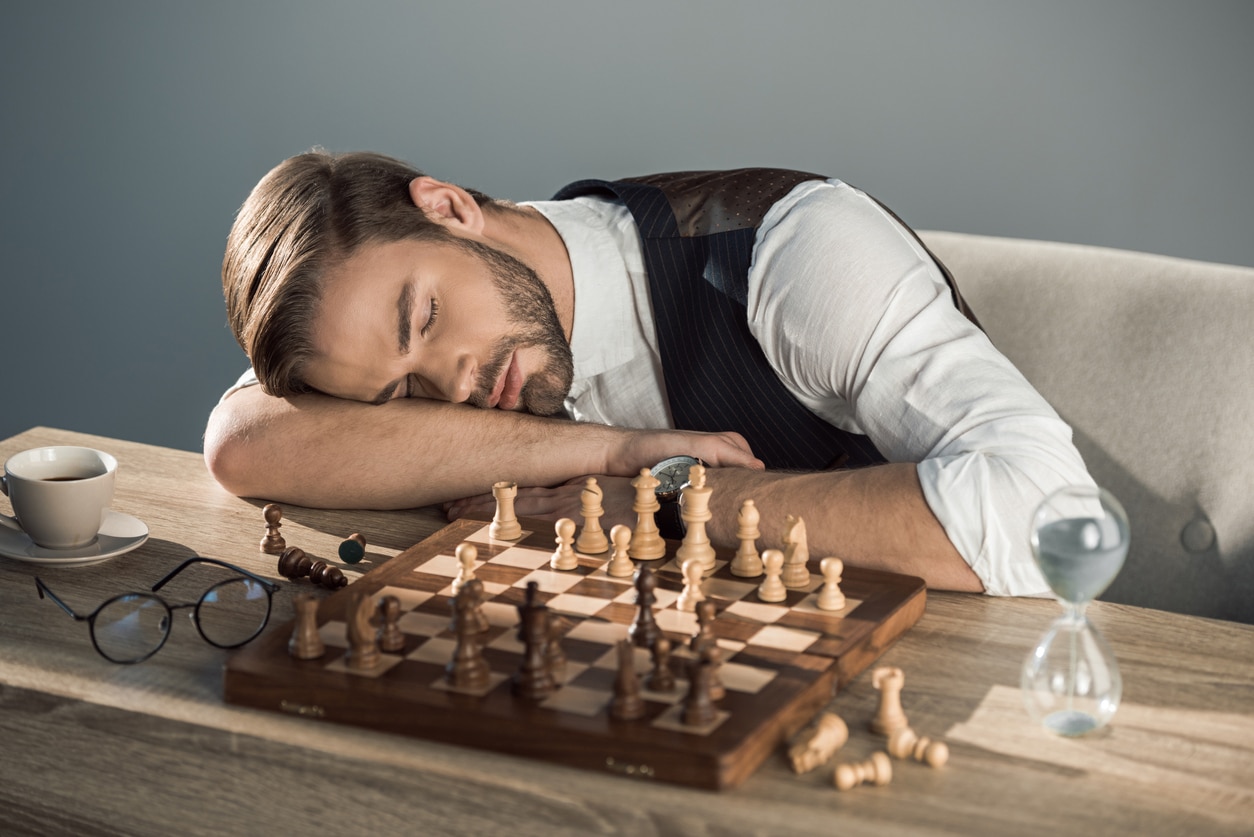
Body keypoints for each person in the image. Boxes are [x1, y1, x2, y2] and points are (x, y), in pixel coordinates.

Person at [205, 150, 1093, 596]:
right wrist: (615, 451)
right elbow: (242, 444)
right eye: (400, 392)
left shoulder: (793, 254)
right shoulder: (477, 359)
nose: (458, 382)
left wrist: (664, 502)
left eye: (426, 318)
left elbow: (1054, 519)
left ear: (449, 208)